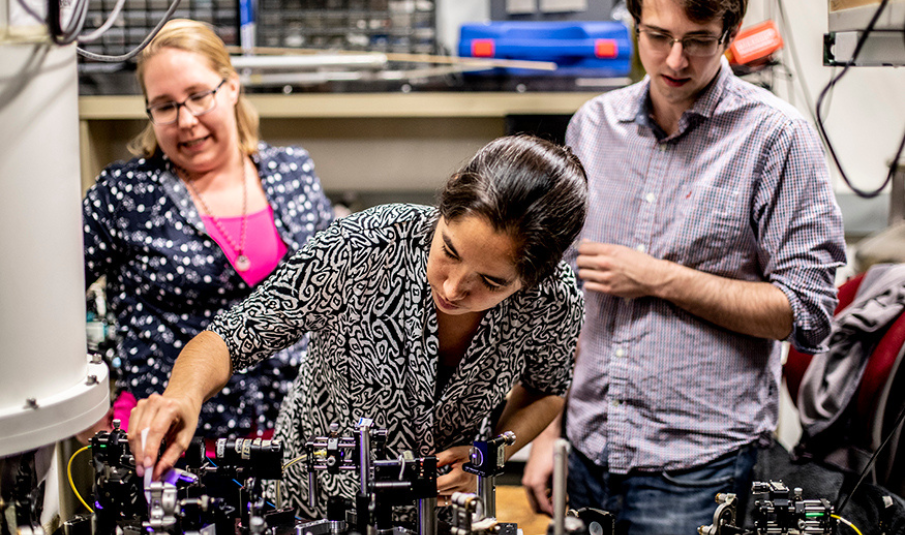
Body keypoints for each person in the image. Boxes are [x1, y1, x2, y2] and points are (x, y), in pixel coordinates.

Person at [127, 134, 589, 518]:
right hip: (311, 507)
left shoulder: (553, 298)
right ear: (447, 199)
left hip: (448, 510)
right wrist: (184, 396)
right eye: (448, 249)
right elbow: (229, 337)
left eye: (490, 282)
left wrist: (489, 455)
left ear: (537, 274)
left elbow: (546, 390)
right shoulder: (363, 247)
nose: (452, 288)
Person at [522, 0, 847, 532]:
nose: (674, 60)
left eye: (698, 40)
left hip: (699, 468)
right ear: (634, 24)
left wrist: (659, 278)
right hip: (584, 450)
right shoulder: (593, 127)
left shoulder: (775, 137)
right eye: (656, 36)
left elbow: (806, 312)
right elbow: (564, 306)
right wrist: (547, 436)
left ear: (730, 33)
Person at [82, 19, 335, 439]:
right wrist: (84, 392)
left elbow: (333, 291)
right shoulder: (125, 192)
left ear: (231, 87)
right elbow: (49, 302)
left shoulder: (292, 171)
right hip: (173, 437)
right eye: (165, 105)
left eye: (199, 96)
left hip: (292, 436)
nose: (186, 120)